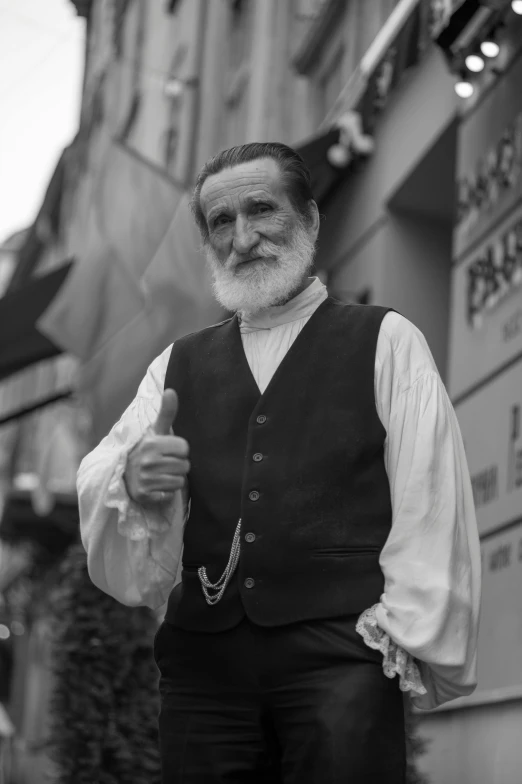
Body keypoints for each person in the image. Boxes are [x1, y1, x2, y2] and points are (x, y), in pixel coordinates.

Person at [78, 142, 481, 783]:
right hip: (203, 668)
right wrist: (132, 478)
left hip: (340, 659)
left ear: (310, 220)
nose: (242, 236)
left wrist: (392, 636)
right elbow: (103, 471)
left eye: (261, 209)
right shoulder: (174, 365)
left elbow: (430, 498)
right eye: (220, 220)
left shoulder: (387, 339)